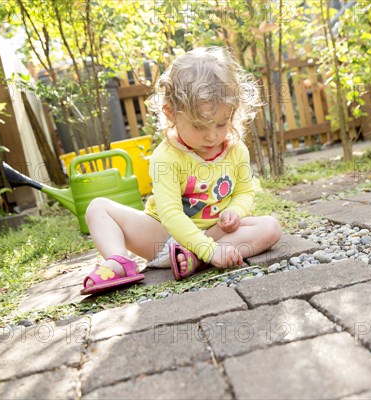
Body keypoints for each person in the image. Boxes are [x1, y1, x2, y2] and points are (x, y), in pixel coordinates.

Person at [81, 47, 282, 295]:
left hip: (215, 232)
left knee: (271, 227)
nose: (212, 135)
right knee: (97, 208)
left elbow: (244, 192)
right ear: (170, 113)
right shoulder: (166, 157)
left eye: (221, 123)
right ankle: (118, 262)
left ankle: (194, 260)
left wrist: (234, 211)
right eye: (200, 126)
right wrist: (209, 250)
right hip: (162, 237)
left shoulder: (235, 149)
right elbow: (170, 214)